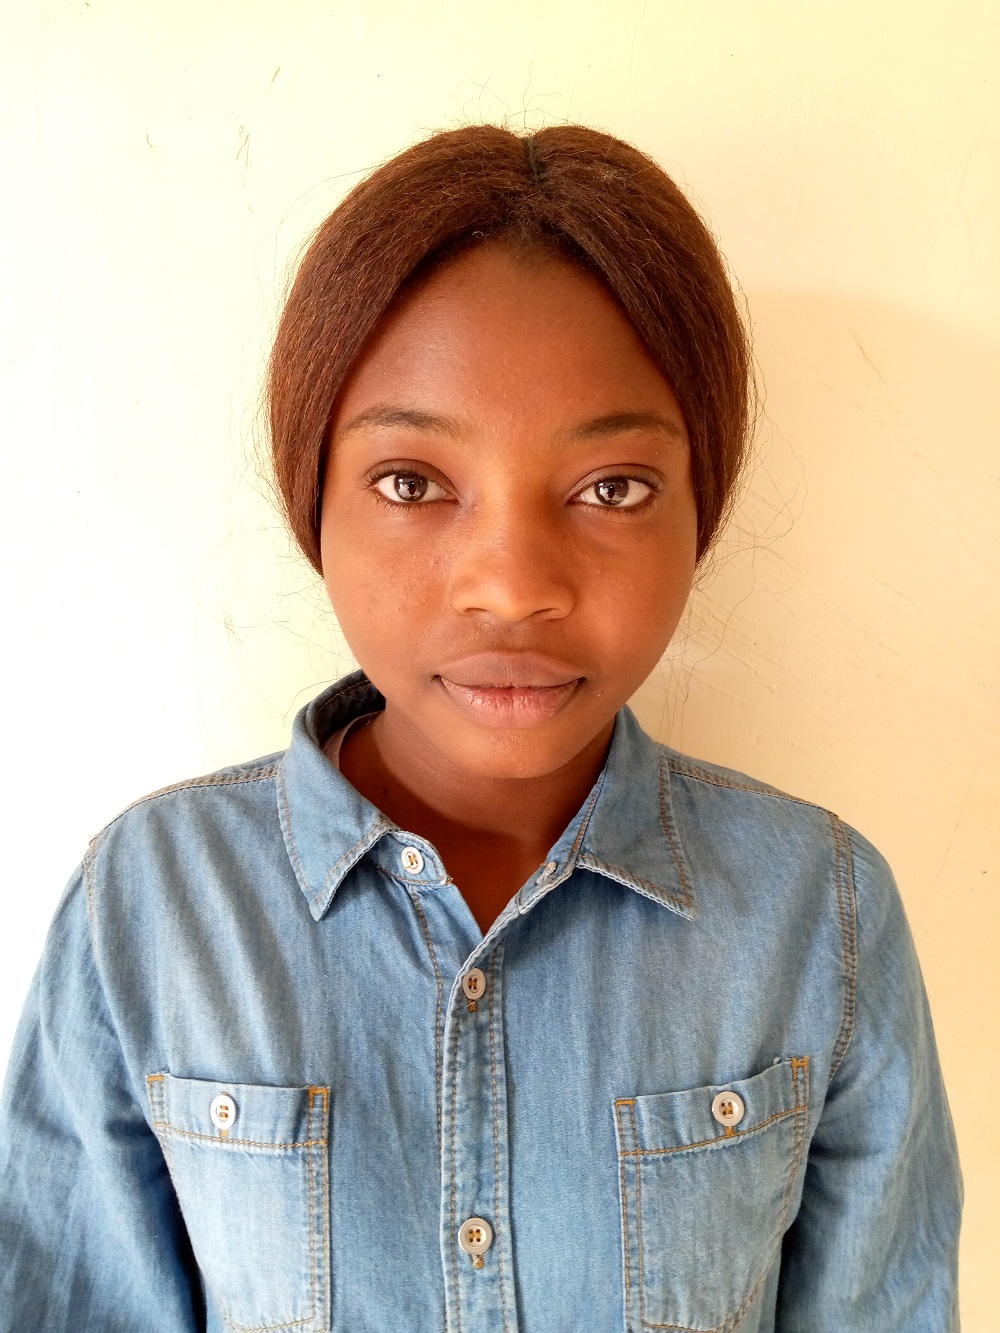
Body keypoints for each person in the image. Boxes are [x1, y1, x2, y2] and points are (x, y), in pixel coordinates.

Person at [0, 124, 961, 1331]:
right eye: (411, 482)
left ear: (699, 510)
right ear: (314, 499)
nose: (511, 587)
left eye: (612, 487)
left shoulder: (820, 913)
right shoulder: (151, 902)